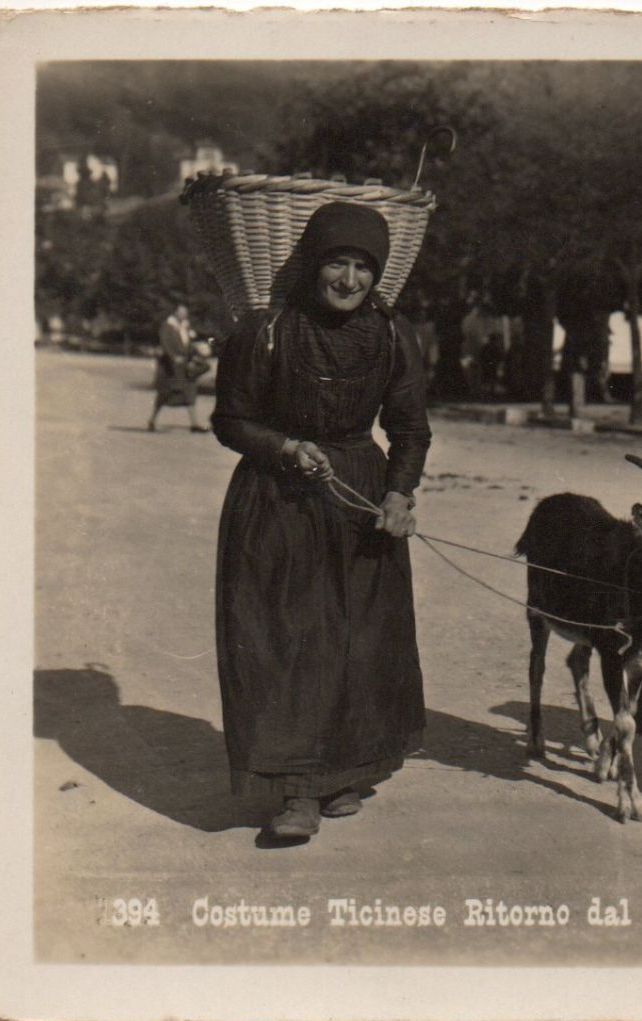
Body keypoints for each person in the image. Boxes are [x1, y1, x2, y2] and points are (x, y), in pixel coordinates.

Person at [211, 202, 432, 840]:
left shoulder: (393, 334)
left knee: (360, 640)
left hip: (359, 497)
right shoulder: (266, 329)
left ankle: (342, 773)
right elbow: (230, 420)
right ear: (313, 262)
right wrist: (282, 448)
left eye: (364, 266)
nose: (349, 278)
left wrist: (398, 495)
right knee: (287, 638)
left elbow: (410, 428)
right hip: (277, 502)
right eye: (338, 260)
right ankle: (295, 791)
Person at [149, 303, 210, 432]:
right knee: (165, 394)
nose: (183, 315)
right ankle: (152, 421)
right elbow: (165, 344)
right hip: (171, 367)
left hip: (184, 367)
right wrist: (174, 357)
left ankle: (194, 424)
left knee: (190, 393)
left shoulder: (185, 327)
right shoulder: (167, 326)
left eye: (185, 313)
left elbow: (189, 345)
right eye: (181, 312)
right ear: (175, 313)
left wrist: (196, 353)